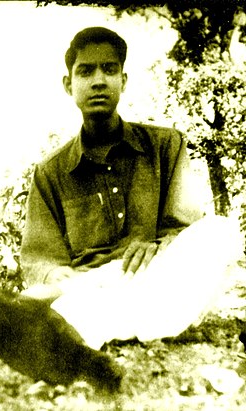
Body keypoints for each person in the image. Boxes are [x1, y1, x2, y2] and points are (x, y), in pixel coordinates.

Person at [20, 27, 241, 349]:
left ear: (124, 81)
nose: (98, 81)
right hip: (89, 288)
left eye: (109, 69)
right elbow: (41, 259)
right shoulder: (51, 172)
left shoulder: (165, 145)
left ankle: (80, 329)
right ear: (68, 85)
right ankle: (108, 326)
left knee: (220, 231)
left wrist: (160, 245)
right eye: (85, 71)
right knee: (72, 292)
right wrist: (55, 275)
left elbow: (183, 227)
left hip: (157, 277)